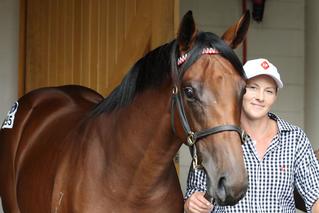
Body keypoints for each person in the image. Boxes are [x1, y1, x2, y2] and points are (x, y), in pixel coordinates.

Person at [184, 58, 319, 213]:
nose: (260, 97)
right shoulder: (217, 136)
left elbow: (315, 195)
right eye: (253, 88)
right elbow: (194, 195)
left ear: (275, 96)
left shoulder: (295, 138)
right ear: (239, 90)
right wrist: (192, 203)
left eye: (269, 91)